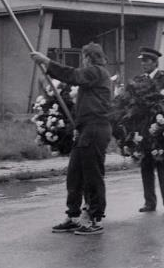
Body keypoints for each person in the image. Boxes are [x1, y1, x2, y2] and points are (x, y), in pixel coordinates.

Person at [31, 42, 112, 235]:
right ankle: (74, 215)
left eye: (84, 57)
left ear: (89, 57)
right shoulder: (92, 76)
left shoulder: (97, 72)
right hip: (85, 129)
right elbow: (84, 104)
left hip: (95, 128)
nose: (83, 61)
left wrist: (47, 62)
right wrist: (77, 127)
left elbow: (73, 75)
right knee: (75, 174)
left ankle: (93, 217)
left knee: (92, 175)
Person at [134, 46, 164, 214]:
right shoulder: (138, 80)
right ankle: (149, 202)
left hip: (161, 130)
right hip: (144, 130)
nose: (143, 64)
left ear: (154, 62)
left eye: (146, 61)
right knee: (146, 167)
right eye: (142, 61)